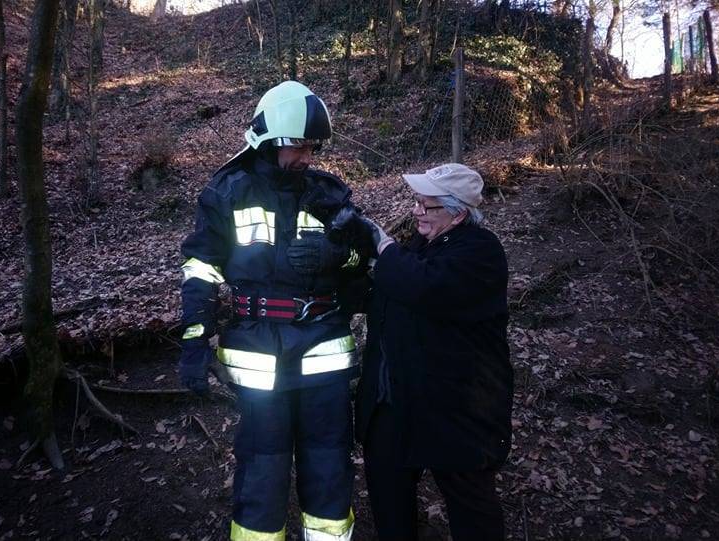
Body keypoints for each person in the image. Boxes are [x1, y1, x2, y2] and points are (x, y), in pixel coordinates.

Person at [178, 80, 368, 541]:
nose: (308, 157)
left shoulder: (328, 193)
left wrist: (337, 255)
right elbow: (201, 267)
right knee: (263, 465)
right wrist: (195, 339)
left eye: (312, 148)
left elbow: (365, 261)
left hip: (324, 349)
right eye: (299, 146)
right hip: (258, 352)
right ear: (270, 140)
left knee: (328, 461)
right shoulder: (227, 191)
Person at [354, 163, 513, 540]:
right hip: (396, 401)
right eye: (417, 203)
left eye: (427, 206)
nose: (416, 212)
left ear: (458, 214)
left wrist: (383, 246)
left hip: (458, 409)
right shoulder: (423, 246)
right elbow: (385, 297)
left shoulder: (480, 251)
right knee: (389, 496)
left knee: (470, 503)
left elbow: (425, 287)